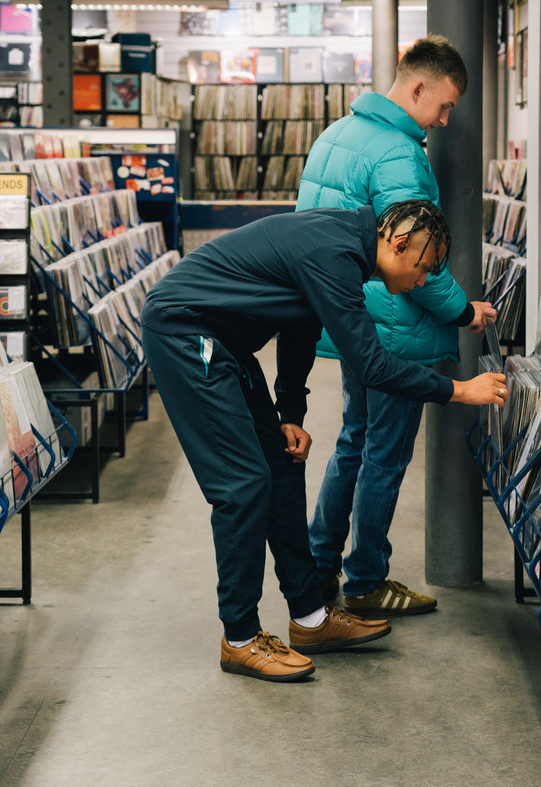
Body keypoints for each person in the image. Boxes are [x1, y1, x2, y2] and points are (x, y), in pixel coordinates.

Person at [141, 201, 506, 683]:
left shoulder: (347, 246)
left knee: (283, 465)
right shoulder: (335, 254)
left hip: (225, 340)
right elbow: (372, 365)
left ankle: (310, 617)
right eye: (422, 269)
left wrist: (289, 413)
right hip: (187, 334)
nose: (422, 283)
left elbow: (300, 325)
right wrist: (458, 391)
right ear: (398, 244)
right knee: (243, 485)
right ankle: (240, 638)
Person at [297, 34, 498, 617]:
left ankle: (320, 566)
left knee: (353, 443)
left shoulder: (336, 135)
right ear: (417, 87)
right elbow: (417, 257)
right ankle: (366, 582)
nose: (443, 118)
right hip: (395, 329)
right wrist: (464, 310)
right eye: (444, 104)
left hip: (353, 322)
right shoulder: (398, 155)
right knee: (383, 454)